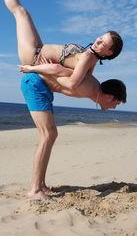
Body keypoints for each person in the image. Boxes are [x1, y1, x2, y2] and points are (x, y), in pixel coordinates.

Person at [0, 0, 123, 90]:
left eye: (103, 43)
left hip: (33, 56)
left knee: (20, 12)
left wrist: (36, 69)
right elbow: (74, 76)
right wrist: (53, 69)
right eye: (101, 37)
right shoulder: (92, 60)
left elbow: (72, 84)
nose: (98, 40)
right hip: (38, 49)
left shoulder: (88, 57)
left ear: (109, 52)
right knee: (22, 13)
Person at [19, 63, 126, 199]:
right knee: (48, 135)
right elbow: (59, 69)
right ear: (110, 97)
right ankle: (35, 189)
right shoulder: (89, 87)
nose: (114, 107)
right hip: (35, 84)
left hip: (43, 87)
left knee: (51, 135)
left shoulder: (93, 89)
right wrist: (32, 69)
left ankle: (41, 184)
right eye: (116, 104)